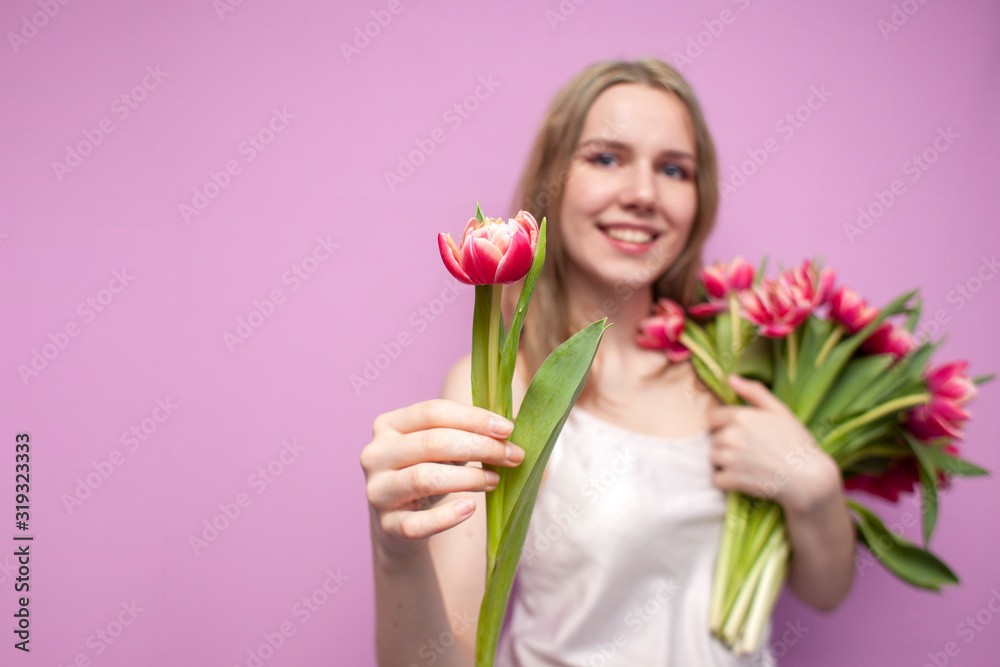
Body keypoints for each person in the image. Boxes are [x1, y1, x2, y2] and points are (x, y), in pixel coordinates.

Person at [360, 58, 855, 666]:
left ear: (698, 199)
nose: (643, 194)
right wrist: (396, 552)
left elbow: (824, 591)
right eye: (605, 157)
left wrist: (816, 487)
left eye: (674, 169)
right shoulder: (496, 387)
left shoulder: (737, 366)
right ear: (554, 180)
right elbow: (449, 658)